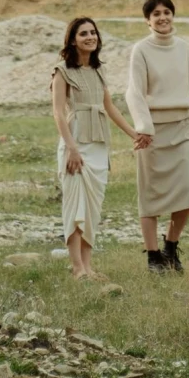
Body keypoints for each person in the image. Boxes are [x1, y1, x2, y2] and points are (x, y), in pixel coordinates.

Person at [50, 15, 137, 279]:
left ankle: (89, 266)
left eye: (93, 33)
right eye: (83, 34)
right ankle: (77, 268)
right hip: (76, 143)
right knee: (75, 206)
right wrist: (71, 148)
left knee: (92, 209)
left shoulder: (99, 71)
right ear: (73, 40)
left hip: (99, 144)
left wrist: (134, 133)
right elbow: (57, 113)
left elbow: (110, 107)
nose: (90, 37)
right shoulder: (62, 71)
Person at [125, 0, 189, 275]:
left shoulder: (182, 47)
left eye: (166, 12)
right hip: (153, 132)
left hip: (182, 127)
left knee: (188, 194)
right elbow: (134, 92)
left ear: (173, 15)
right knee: (151, 195)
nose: (162, 18)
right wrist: (144, 128)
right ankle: (153, 257)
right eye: (156, 14)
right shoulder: (141, 50)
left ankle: (171, 246)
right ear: (148, 20)